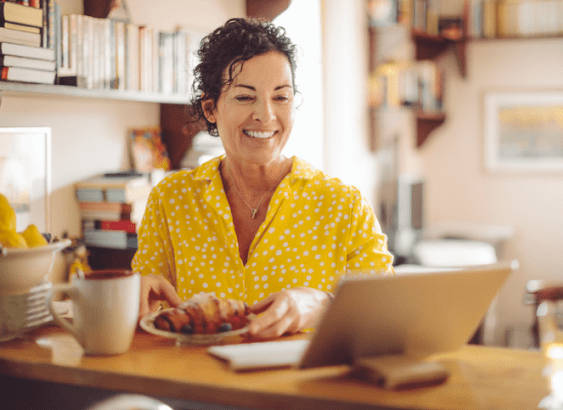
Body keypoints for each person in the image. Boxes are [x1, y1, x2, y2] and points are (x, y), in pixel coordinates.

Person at [132, 18, 393, 339]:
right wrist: (134, 297)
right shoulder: (171, 199)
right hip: (196, 384)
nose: (266, 115)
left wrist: (324, 303)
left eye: (281, 97)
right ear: (211, 108)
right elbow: (145, 315)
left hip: (301, 386)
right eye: (245, 97)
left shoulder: (343, 205)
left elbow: (388, 316)